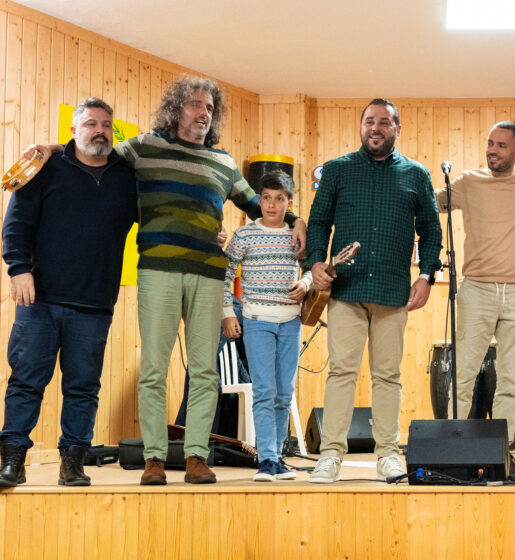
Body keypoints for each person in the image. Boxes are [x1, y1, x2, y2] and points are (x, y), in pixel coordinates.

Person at [26, 76, 306, 485]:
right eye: (195, 104)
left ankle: (196, 457)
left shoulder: (224, 162)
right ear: (177, 108)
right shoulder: (144, 147)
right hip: (157, 271)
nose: (203, 113)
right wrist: (53, 149)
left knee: (205, 372)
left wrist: (297, 220)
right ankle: (154, 458)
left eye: (209, 108)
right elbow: (94, 153)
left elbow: (259, 206)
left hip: (209, 275)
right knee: (154, 370)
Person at [0, 98, 137, 489]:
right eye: (90, 124)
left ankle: (73, 463)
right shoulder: (45, 167)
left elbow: (158, 221)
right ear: (74, 130)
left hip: (95, 304)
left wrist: (203, 234)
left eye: (106, 125)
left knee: (83, 388)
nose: (99, 131)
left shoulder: (128, 177)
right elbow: (16, 224)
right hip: (39, 299)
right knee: (26, 381)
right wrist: (19, 269)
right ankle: (12, 462)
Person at [306, 98, 442, 484]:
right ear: (361, 126)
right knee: (341, 372)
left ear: (397, 128)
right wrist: (315, 263)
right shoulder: (337, 170)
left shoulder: (417, 174)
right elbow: (318, 222)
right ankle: (330, 456)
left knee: (387, 376)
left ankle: (387, 455)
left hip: (393, 291)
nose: (375, 128)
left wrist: (426, 276)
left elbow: (431, 230)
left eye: (384, 122)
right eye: (369, 121)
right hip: (345, 290)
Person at [435, 121, 515, 481]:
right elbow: (431, 201)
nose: (492, 150)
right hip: (477, 289)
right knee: (463, 375)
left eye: (502, 145)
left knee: (511, 380)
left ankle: (500, 452)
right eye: (490, 143)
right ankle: (455, 452)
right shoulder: (468, 182)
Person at [222, 170, 312, 482]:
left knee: (284, 393)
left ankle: (279, 457)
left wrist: (305, 282)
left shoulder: (297, 235)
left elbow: (312, 267)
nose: (272, 204)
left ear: (290, 203)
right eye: (267, 198)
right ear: (259, 201)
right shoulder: (244, 235)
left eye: (279, 199)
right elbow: (225, 272)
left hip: (291, 323)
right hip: (256, 322)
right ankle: (267, 460)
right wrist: (228, 312)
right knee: (264, 391)